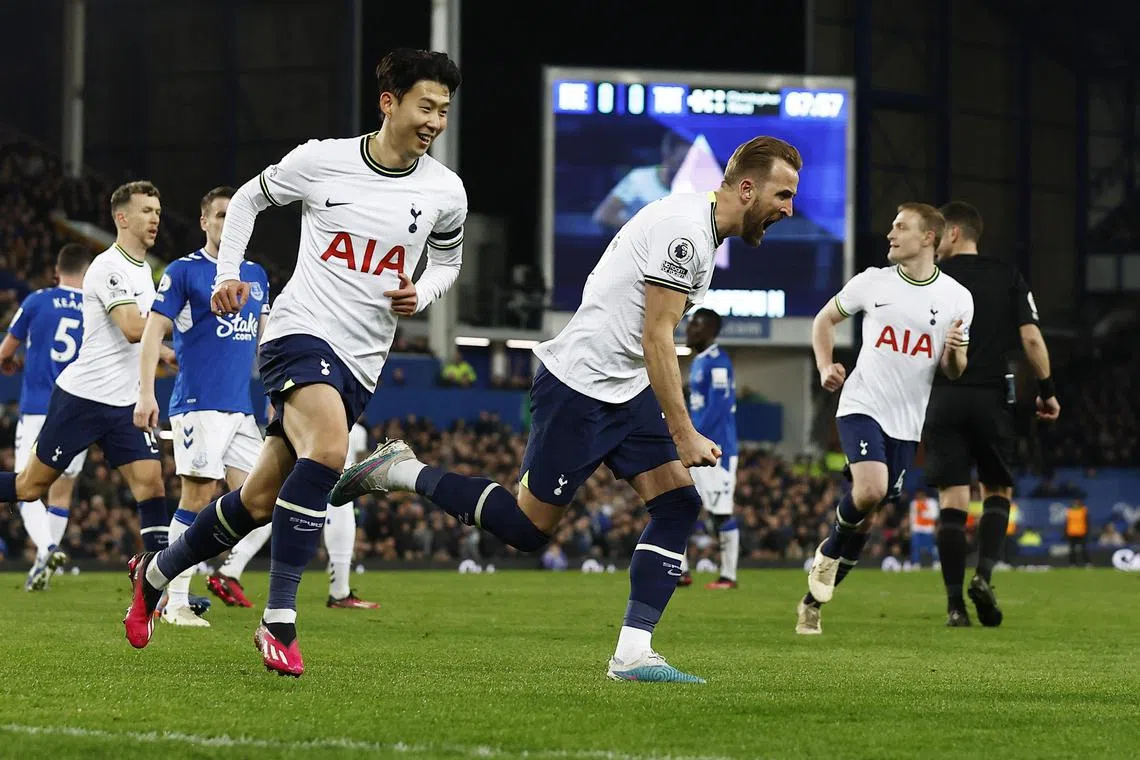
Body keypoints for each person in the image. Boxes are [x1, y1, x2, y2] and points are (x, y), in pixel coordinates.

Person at [333, 135, 803, 683]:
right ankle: (401, 470)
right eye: (783, 195)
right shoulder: (686, 232)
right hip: (579, 387)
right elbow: (657, 336)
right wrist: (684, 433)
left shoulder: (701, 227)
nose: (789, 209)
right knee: (528, 530)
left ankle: (632, 654)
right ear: (746, 189)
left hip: (626, 389)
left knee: (678, 504)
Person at [123, 49, 466, 678]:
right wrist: (227, 275)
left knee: (257, 500)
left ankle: (157, 573)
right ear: (388, 102)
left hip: (363, 359)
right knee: (331, 449)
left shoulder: (445, 191)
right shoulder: (321, 160)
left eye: (444, 111)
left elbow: (448, 260)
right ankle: (279, 620)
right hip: (299, 332)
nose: (435, 122)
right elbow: (247, 201)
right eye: (426, 106)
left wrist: (423, 292)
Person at [796, 202, 973, 636]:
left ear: (928, 237)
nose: (890, 234)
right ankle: (827, 555)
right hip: (862, 404)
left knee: (869, 515)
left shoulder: (957, 298)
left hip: (907, 423)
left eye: (901, 227)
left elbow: (954, 370)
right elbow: (824, 320)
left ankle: (812, 603)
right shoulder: (873, 282)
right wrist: (825, 366)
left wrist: (954, 352)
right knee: (870, 489)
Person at [0, 182, 174, 565]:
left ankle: (157, 584)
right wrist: (185, 320)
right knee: (29, 487)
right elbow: (132, 327)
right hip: (82, 399)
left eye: (158, 212)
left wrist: (163, 351)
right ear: (122, 217)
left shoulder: (144, 270)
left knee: (152, 486)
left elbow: (137, 334)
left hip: (124, 404)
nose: (155, 219)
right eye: (146, 211)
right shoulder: (108, 267)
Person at [133, 186, 271, 627]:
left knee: (264, 500)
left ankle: (220, 571)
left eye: (236, 215)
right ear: (204, 222)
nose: (229, 223)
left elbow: (266, 344)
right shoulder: (184, 271)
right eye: (221, 215)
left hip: (241, 410)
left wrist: (275, 398)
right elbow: (152, 333)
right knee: (197, 497)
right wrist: (146, 393)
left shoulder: (256, 276)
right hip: (198, 405)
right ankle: (173, 602)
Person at [923, 201, 1060, 628]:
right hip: (991, 397)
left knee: (952, 499)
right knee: (997, 490)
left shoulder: (930, 277)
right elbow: (1031, 339)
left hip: (942, 397)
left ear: (954, 233)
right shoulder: (1007, 275)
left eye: (938, 232)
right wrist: (1047, 391)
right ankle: (982, 575)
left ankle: (954, 607)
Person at [206, 420, 379, 609]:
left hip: (290, 431)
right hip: (306, 432)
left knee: (267, 505)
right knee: (338, 496)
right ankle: (338, 592)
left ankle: (230, 570)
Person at [0, 243, 92, 590]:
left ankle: (47, 548)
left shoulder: (37, 300)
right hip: (78, 410)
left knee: (25, 487)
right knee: (62, 492)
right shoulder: (96, 306)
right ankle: (43, 566)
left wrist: (10, 361)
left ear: (57, 271)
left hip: (39, 408)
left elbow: (5, 351)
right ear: (87, 273)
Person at [682, 307, 739, 590]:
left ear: (710, 330)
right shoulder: (700, 361)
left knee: (720, 513)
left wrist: (690, 435)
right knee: (679, 503)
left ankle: (728, 576)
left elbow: (718, 408)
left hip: (717, 450)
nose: (689, 328)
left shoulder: (718, 362)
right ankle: (679, 570)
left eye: (696, 324)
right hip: (697, 446)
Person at [592, 130, 693, 232]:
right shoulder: (639, 179)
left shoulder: (694, 187)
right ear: (667, 155)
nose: (686, 167)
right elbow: (603, 215)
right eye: (681, 161)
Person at [908, 489, 939, 567]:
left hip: (928, 529)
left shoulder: (932, 502)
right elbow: (912, 517)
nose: (918, 496)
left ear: (924, 494)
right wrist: (911, 529)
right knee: (915, 547)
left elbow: (934, 515)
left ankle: (936, 562)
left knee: (931, 547)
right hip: (917, 528)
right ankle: (916, 563)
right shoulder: (914, 503)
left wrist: (923, 513)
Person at [1064, 499, 1090, 566]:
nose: (1076, 504)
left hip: (1081, 533)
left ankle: (1087, 563)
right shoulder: (1069, 511)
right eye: (1074, 503)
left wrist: (1087, 532)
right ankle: (1072, 563)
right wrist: (1066, 533)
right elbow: (1066, 523)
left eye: (1077, 503)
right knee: (1072, 550)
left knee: (1083, 549)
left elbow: (1087, 522)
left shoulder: (1083, 510)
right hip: (1071, 533)